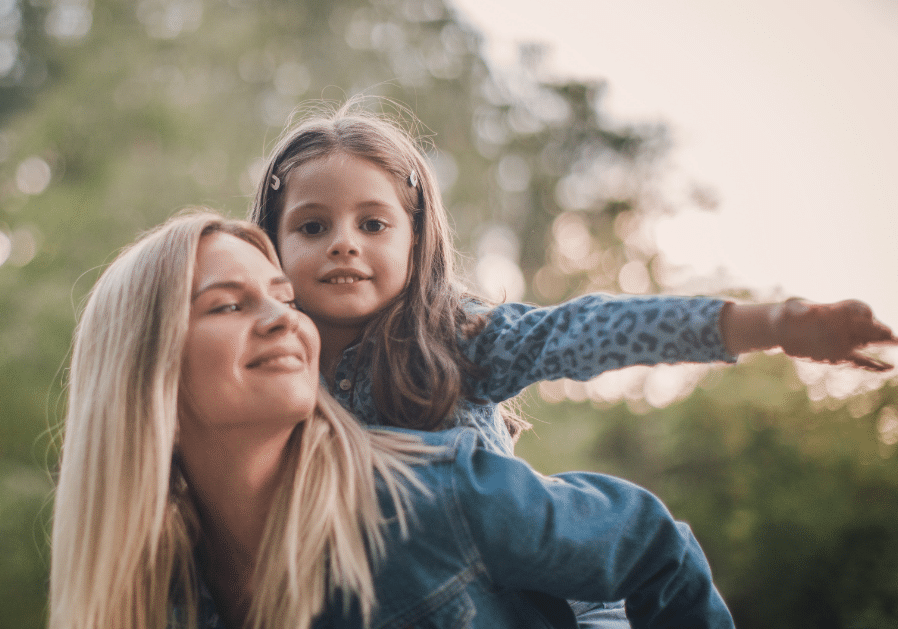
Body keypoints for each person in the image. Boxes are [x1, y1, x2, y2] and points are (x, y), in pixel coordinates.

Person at [247, 99, 898, 627]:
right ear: (269, 245)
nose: (343, 246)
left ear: (417, 242)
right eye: (312, 227)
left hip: (554, 605)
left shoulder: (456, 337)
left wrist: (769, 324)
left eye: (372, 224)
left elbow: (584, 332)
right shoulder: (266, 378)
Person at [47, 210, 736, 629]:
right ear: (145, 373)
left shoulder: (423, 497)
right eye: (228, 305)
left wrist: (746, 324)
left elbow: (651, 546)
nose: (283, 320)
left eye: (283, 298)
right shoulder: (167, 594)